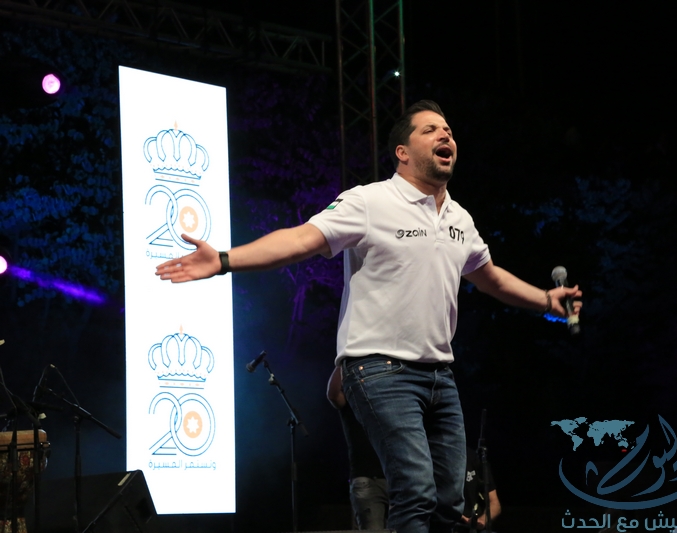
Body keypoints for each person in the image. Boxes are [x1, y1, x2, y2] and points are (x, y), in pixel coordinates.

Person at [155, 100, 582, 533]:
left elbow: (490, 278)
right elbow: (301, 239)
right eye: (430, 130)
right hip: (379, 368)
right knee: (416, 490)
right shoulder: (370, 201)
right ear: (402, 152)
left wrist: (546, 300)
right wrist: (224, 260)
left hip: (440, 375)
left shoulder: (460, 219)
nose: (445, 135)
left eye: (449, 131)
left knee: (449, 501)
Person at [327, 367, 389, 530]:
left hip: (398, 477)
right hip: (367, 479)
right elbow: (333, 394)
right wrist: (344, 360)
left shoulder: (395, 400)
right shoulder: (354, 401)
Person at [454, 448, 501, 532]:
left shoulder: (475, 458)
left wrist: (482, 520)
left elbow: (494, 503)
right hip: (450, 524)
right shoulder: (437, 458)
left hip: (473, 526)